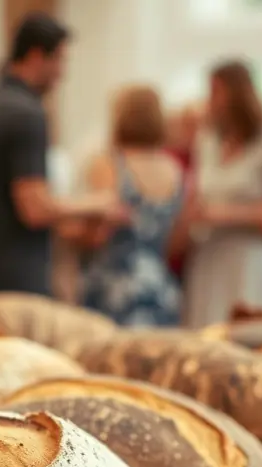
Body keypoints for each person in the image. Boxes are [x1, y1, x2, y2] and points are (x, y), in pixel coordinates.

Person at [0, 12, 126, 300]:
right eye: (60, 60)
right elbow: (34, 209)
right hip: (17, 279)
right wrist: (96, 203)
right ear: (37, 55)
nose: (62, 73)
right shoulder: (27, 113)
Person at [182, 60, 262, 328]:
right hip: (211, 256)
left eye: (217, 91)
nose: (211, 100)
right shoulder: (207, 141)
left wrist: (224, 215)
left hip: (250, 259)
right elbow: (197, 195)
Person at [67, 85, 184, 327]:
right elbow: (177, 239)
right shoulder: (173, 169)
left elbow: (97, 235)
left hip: (113, 287)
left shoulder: (110, 165)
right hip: (159, 287)